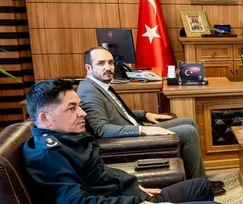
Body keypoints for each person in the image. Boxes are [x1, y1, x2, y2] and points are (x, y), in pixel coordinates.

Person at [21, 79, 240, 204]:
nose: (83, 113)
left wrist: (133, 183)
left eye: (79, 105)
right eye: (72, 108)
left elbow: (100, 172)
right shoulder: (47, 155)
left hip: (127, 197)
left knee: (201, 186)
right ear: (45, 118)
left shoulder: (67, 138)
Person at [77, 47, 225, 195]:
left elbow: (119, 111)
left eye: (110, 62)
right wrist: (143, 130)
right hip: (127, 139)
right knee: (188, 132)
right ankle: (199, 186)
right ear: (88, 68)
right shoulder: (89, 91)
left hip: (134, 127)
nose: (108, 67)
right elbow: (102, 129)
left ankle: (197, 178)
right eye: (101, 63)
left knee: (189, 121)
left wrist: (145, 114)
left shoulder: (99, 85)